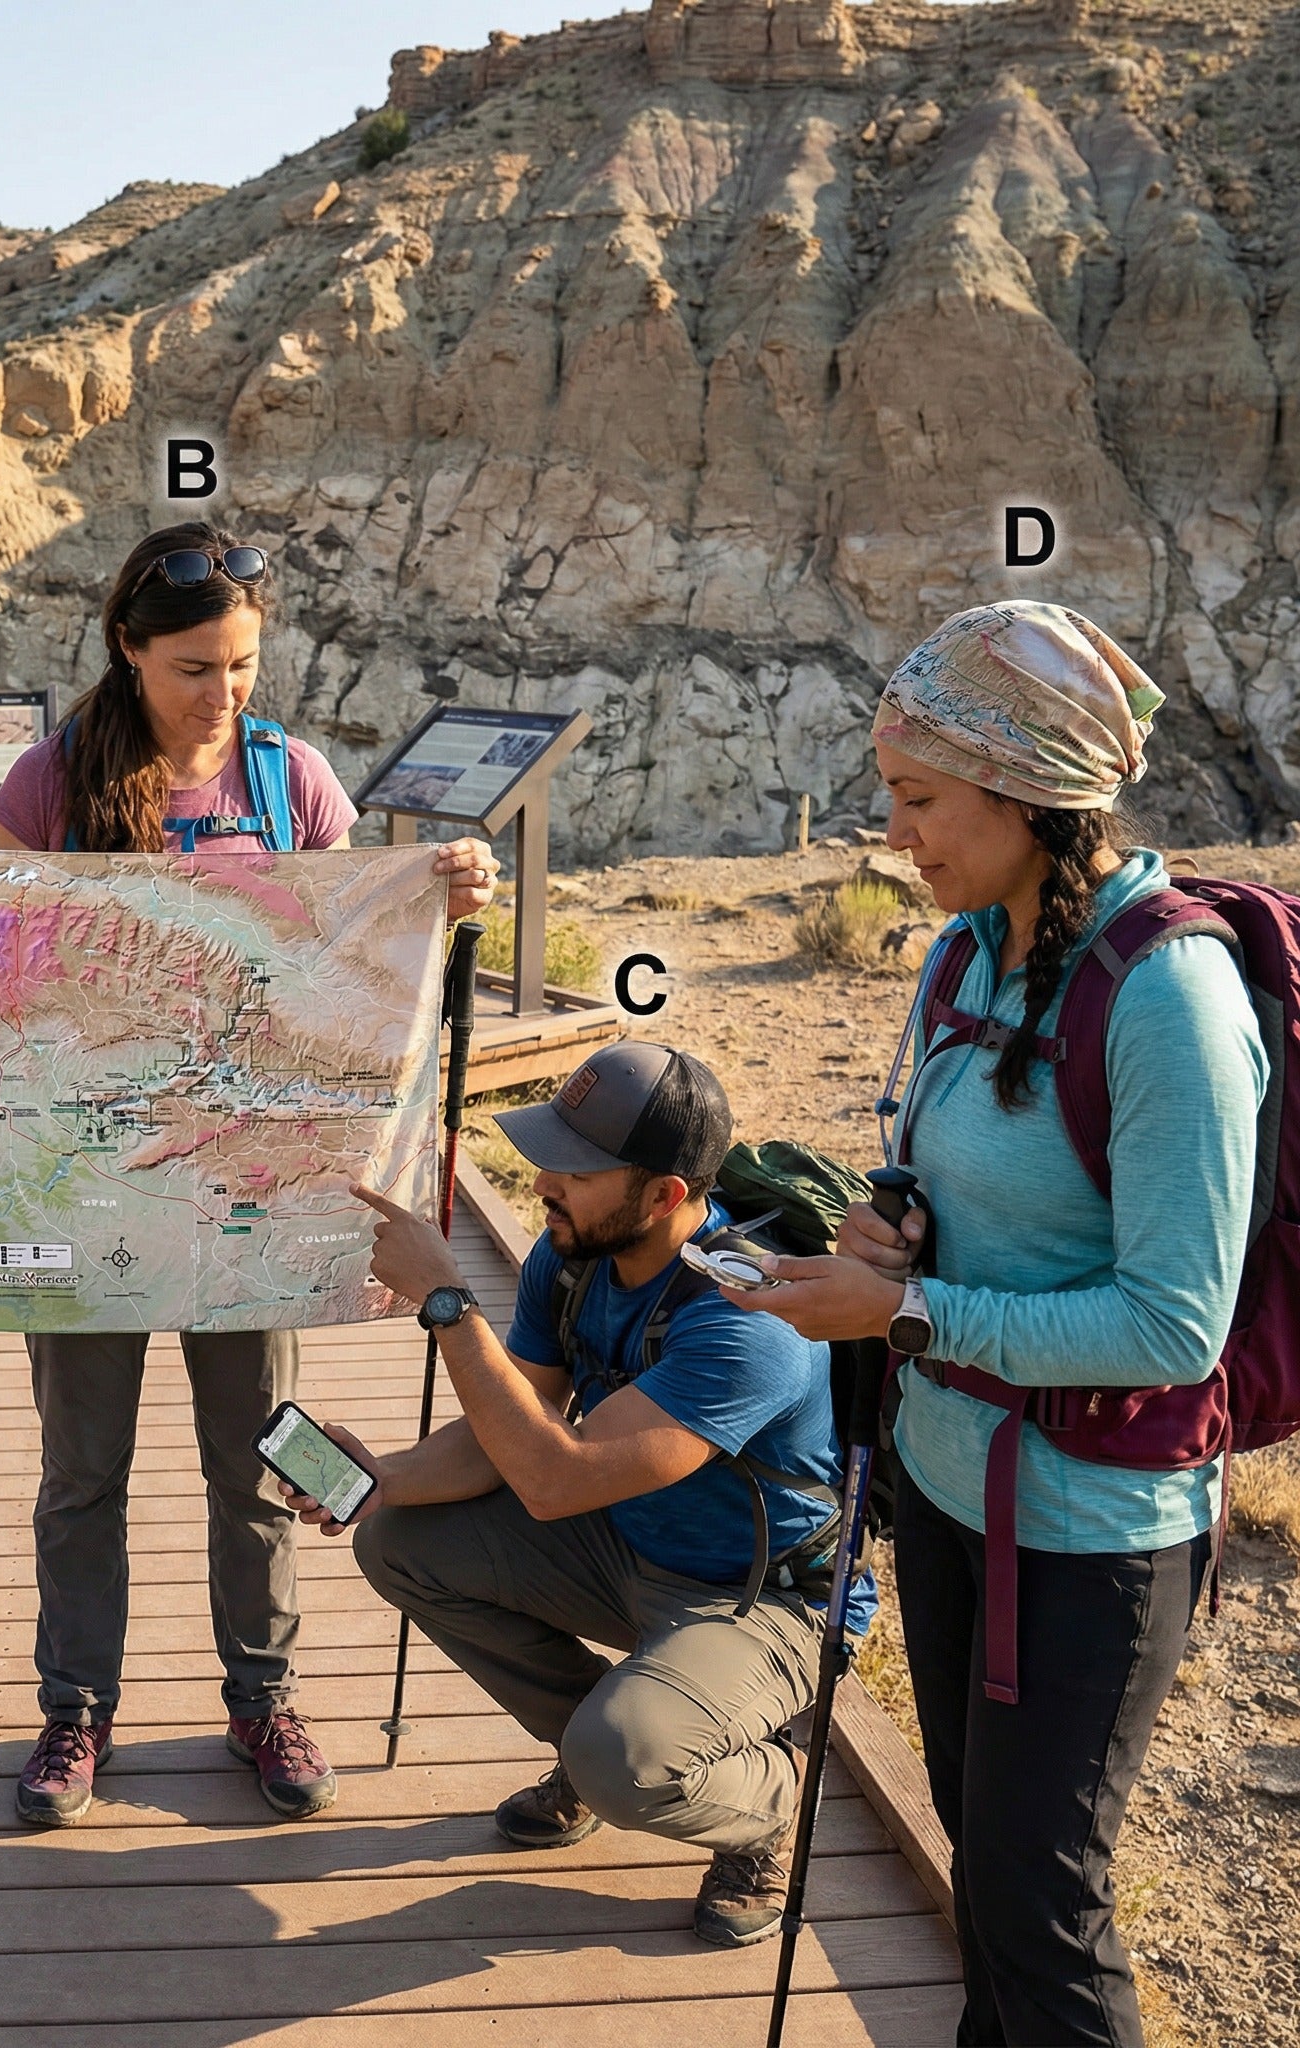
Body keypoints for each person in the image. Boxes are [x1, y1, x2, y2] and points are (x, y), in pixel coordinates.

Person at [0, 520, 499, 1826]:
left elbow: (353, 951)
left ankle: (263, 1697)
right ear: (129, 650)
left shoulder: (293, 781)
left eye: (244, 666)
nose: (225, 698)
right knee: (81, 1471)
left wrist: (443, 900)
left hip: (254, 1188)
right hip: (87, 1178)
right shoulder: (53, 782)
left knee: (259, 1458)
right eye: (196, 670)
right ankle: (75, 1714)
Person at [727, 601, 1264, 2046]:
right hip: (957, 1492)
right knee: (991, 1880)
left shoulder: (1170, 999)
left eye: (920, 799)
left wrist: (902, 1310)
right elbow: (960, 1192)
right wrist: (889, 1231)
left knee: (1043, 1903)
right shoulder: (967, 954)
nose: (895, 833)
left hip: (1093, 1531)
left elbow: (1170, 1328)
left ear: (1029, 792)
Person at [282, 1040, 872, 1948]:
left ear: (665, 1195)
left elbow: (555, 1481)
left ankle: (765, 1804)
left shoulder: (749, 1321)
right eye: (547, 1153)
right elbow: (511, 1432)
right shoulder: (570, 1262)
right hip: (628, 1547)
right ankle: (594, 1748)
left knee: (628, 1759)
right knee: (398, 1537)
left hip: (762, 1600)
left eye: (577, 1168)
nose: (545, 1182)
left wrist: (446, 1297)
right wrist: (387, 1477)